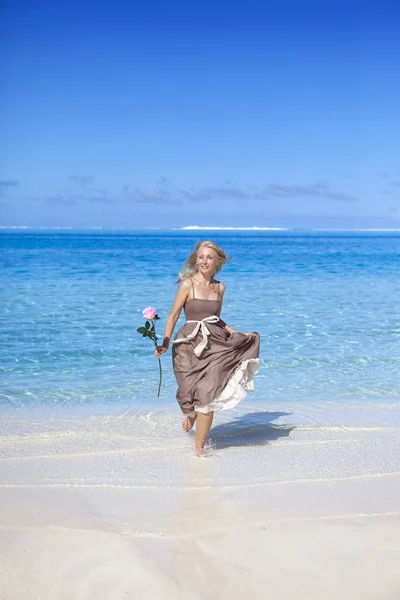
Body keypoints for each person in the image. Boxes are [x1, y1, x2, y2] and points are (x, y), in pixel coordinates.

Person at [155, 240, 260, 456]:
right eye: (201, 257)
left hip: (214, 343)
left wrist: (237, 333)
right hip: (187, 344)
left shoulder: (220, 287)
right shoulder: (187, 285)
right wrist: (165, 342)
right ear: (196, 259)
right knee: (187, 391)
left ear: (216, 262)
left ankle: (199, 447)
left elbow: (216, 319)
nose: (204, 261)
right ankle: (191, 413)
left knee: (208, 395)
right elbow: (173, 315)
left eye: (209, 257)